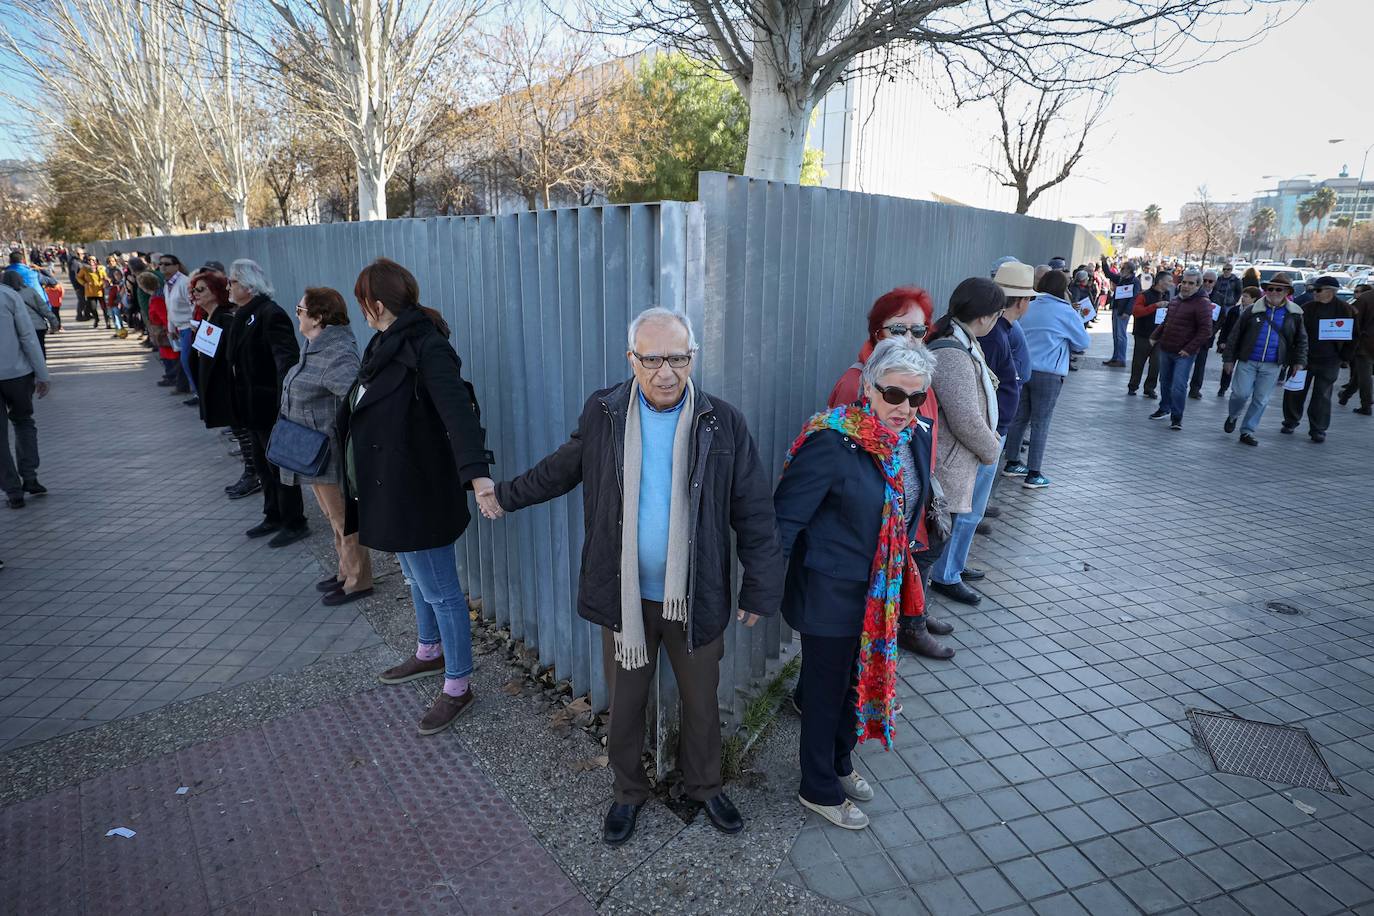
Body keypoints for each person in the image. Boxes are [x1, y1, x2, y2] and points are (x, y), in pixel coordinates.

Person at [482, 306, 781, 846]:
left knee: (701, 703)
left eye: (676, 358)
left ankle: (705, 786)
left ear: (692, 358)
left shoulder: (723, 421)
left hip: (694, 597)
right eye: (651, 358)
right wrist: (504, 496)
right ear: (632, 359)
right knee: (625, 704)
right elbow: (561, 468)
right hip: (625, 599)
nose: (665, 372)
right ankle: (627, 793)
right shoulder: (605, 413)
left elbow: (753, 508)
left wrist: (760, 584)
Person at [772, 338, 936, 831]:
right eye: (892, 394)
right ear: (868, 387)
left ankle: (840, 762)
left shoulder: (916, 436)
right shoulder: (832, 439)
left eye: (915, 396)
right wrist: (760, 588)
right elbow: (785, 519)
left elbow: (913, 506)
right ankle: (816, 786)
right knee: (825, 691)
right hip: (831, 592)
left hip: (878, 593)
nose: (903, 407)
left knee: (854, 685)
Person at [342, 258, 494, 736]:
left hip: (421, 488)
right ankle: (429, 651)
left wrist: (478, 476)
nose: (362, 310)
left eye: (363, 301)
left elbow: (458, 414)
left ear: (378, 304)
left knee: (442, 589)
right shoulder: (384, 343)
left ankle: (458, 685)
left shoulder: (427, 347)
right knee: (413, 576)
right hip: (391, 485)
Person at [826, 286, 944, 654]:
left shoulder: (917, 376)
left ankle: (910, 622)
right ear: (876, 333)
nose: (910, 339)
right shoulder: (856, 384)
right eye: (898, 330)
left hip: (901, 524)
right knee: (847, 636)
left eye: (919, 331)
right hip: (865, 543)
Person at [929, 265, 1032, 602]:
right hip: (957, 457)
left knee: (940, 537)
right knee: (934, 541)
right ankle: (920, 611)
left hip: (962, 455)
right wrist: (993, 448)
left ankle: (933, 592)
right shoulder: (953, 352)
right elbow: (965, 420)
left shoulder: (961, 341)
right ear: (987, 316)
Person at [280, 287, 373, 605]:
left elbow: (357, 398)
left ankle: (359, 580)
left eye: (300, 309)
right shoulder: (315, 346)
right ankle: (344, 571)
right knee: (333, 517)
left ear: (318, 317)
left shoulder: (336, 353)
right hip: (312, 451)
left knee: (343, 517)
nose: (297, 315)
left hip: (329, 452)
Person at [225, 259, 308, 547]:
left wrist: (283, 402)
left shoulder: (270, 314)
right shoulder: (243, 314)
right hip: (249, 405)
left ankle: (294, 521)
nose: (229, 287)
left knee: (278, 466)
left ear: (248, 285)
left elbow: (285, 359)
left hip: (268, 405)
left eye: (232, 281)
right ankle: (272, 513)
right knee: (262, 464)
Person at [1003, 269, 1089, 489]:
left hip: (1022, 368)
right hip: (1049, 373)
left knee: (1019, 417)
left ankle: (1012, 462)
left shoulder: (1028, 305)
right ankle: (1034, 473)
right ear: (1064, 288)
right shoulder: (1065, 311)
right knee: (1041, 422)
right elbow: (1082, 343)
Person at [1222, 272, 1307, 447]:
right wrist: (1228, 359)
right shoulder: (1253, 310)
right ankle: (1233, 415)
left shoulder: (1295, 313)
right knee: (1240, 394)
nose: (1274, 292)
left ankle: (1247, 431)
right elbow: (1235, 335)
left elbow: (1301, 339)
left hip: (1273, 363)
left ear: (1286, 292)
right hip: (1248, 360)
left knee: (1261, 399)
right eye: (1270, 288)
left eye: (1279, 289)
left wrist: (1299, 361)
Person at [1280, 276, 1354, 443]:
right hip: (1304, 359)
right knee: (1295, 391)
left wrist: (1344, 357)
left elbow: (1353, 336)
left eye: (1318, 290)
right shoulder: (1307, 308)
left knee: (1322, 395)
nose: (1314, 293)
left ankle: (1318, 429)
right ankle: (1290, 421)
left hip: (1330, 360)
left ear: (1331, 292)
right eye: (1313, 289)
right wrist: (1293, 356)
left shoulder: (1345, 309)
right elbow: (1295, 333)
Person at [1, 281, 50, 508]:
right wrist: (42, 373)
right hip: (17, 373)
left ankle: (12, 491)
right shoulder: (9, 296)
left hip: (15, 373)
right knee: (24, 423)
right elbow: (28, 336)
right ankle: (30, 477)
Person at [1148, 269, 1212, 430]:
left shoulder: (1202, 303)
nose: (1186, 286)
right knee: (1164, 381)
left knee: (1179, 385)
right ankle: (1164, 408)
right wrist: (1155, 336)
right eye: (1184, 282)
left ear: (1198, 286)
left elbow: (1205, 331)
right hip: (1167, 347)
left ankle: (1177, 417)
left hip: (1183, 353)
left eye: (1191, 283)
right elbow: (1167, 322)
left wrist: (1189, 349)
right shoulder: (1176, 300)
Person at [1127, 272, 1171, 397]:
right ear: (1161, 282)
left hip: (1160, 335)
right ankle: (1133, 386)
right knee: (1138, 362)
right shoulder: (1144, 295)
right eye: (1169, 281)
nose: (1171, 283)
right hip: (1143, 334)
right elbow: (1136, 312)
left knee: (1156, 363)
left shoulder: (1168, 295)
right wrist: (1155, 306)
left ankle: (1150, 388)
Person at [160, 254, 196, 401]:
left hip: (188, 327)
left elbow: (193, 305)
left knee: (187, 361)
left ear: (176, 266)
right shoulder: (167, 284)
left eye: (167, 264)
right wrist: (171, 327)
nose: (163, 267)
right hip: (179, 329)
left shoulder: (184, 283)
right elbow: (169, 308)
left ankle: (198, 393)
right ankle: (196, 392)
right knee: (185, 361)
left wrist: (193, 326)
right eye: (160, 264)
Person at [1214, 286, 1259, 397]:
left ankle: (1241, 389)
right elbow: (1225, 327)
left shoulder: (1257, 313)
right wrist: (1221, 341)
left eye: (1246, 296)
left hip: (1247, 346)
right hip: (1232, 343)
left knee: (1244, 370)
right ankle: (1223, 387)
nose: (1243, 298)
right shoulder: (1234, 311)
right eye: (1243, 296)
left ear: (1254, 299)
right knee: (1227, 366)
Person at [1186, 269, 1223, 400]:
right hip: (1190, 335)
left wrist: (1211, 332)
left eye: (1210, 281)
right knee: (1185, 362)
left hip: (1206, 337)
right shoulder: (1195, 294)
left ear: (1215, 283)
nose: (1207, 283)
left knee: (1200, 364)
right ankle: (1181, 385)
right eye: (1205, 280)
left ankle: (1195, 389)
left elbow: (1220, 319)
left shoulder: (1219, 298)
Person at [3, 270, 58, 357]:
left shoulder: (4, 295)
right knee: (40, 352)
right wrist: (54, 324)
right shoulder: (30, 291)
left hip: (16, 329)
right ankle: (41, 368)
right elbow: (43, 308)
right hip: (37, 327)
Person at [1337, 284, 1374, 415]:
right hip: (1367, 342)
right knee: (1361, 373)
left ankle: (1366, 404)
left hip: (1366, 342)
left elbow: (1356, 321)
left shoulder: (1365, 298)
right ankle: (1345, 395)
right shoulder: (1366, 298)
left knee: (1364, 375)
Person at [141, 272, 180, 387]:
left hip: (163, 332)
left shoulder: (157, 299)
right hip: (162, 331)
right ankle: (171, 375)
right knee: (166, 355)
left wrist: (168, 331)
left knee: (169, 355)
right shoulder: (159, 294)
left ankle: (172, 376)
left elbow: (164, 317)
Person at [1099, 256, 1139, 367]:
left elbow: (1133, 298)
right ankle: (1115, 357)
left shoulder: (1134, 281)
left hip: (1123, 311)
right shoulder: (1122, 279)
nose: (1121, 271)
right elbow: (1109, 275)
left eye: (1123, 269)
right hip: (1117, 308)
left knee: (1121, 335)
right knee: (1116, 335)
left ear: (1129, 271)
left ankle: (1121, 358)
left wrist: (1127, 311)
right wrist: (1104, 263)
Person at [76, 256, 107, 328]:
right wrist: (84, 283)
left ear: (96, 261)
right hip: (90, 291)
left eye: (92, 260)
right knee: (92, 308)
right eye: (89, 260)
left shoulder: (101, 268)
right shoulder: (84, 269)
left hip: (100, 290)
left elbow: (105, 277)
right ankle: (96, 319)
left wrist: (105, 282)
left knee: (104, 308)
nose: (91, 261)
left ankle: (107, 322)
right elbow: (78, 277)